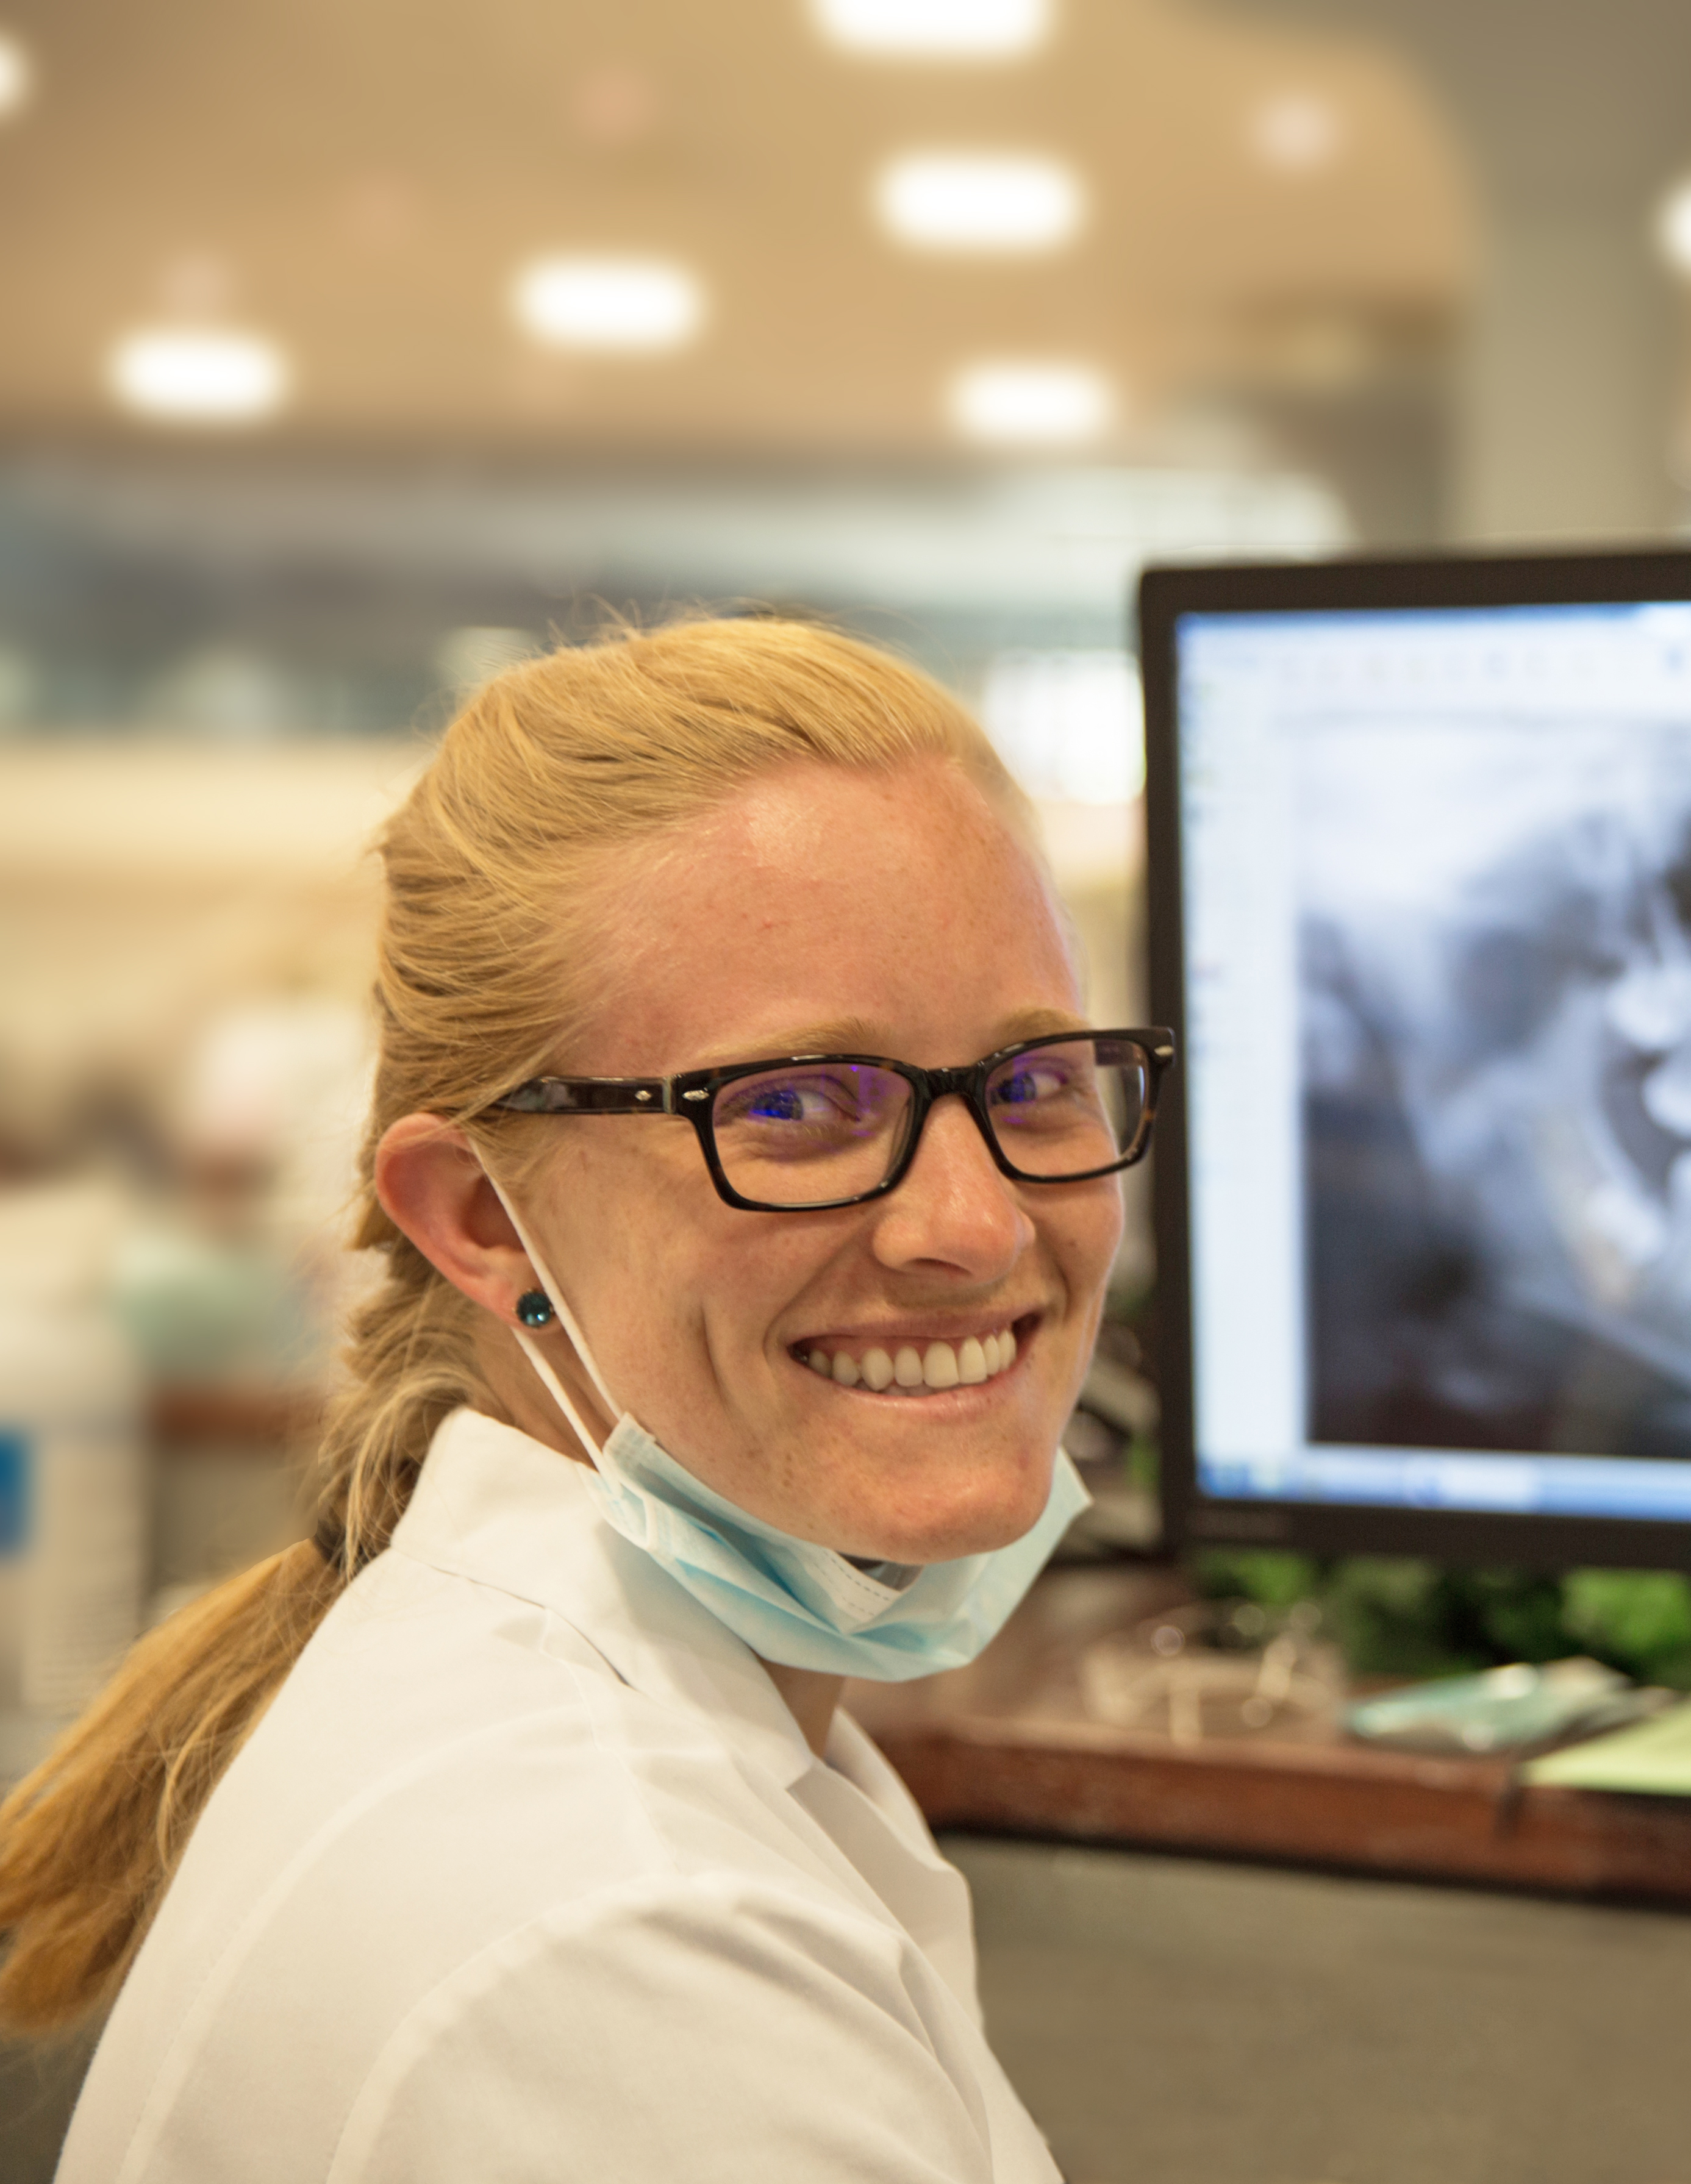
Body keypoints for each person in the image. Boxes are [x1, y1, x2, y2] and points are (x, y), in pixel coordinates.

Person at [0, 618, 1170, 2181]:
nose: (972, 1226)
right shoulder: (617, 1932)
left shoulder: (649, 1734)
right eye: (798, 1105)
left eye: (1031, 1083)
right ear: (479, 1216)